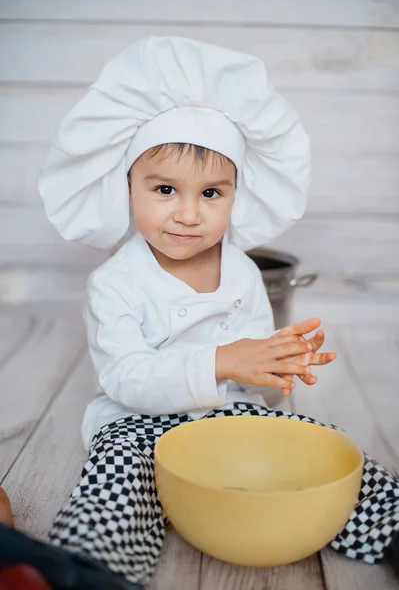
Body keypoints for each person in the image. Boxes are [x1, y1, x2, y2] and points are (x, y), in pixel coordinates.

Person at [0, 37, 397, 589]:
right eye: (165, 188)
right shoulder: (115, 282)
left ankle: (390, 526)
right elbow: (125, 376)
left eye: (212, 192)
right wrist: (225, 359)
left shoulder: (242, 273)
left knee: (326, 445)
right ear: (128, 188)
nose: (188, 214)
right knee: (116, 481)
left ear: (237, 193)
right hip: (136, 426)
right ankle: (87, 571)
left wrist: (277, 363)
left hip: (227, 419)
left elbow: (252, 378)